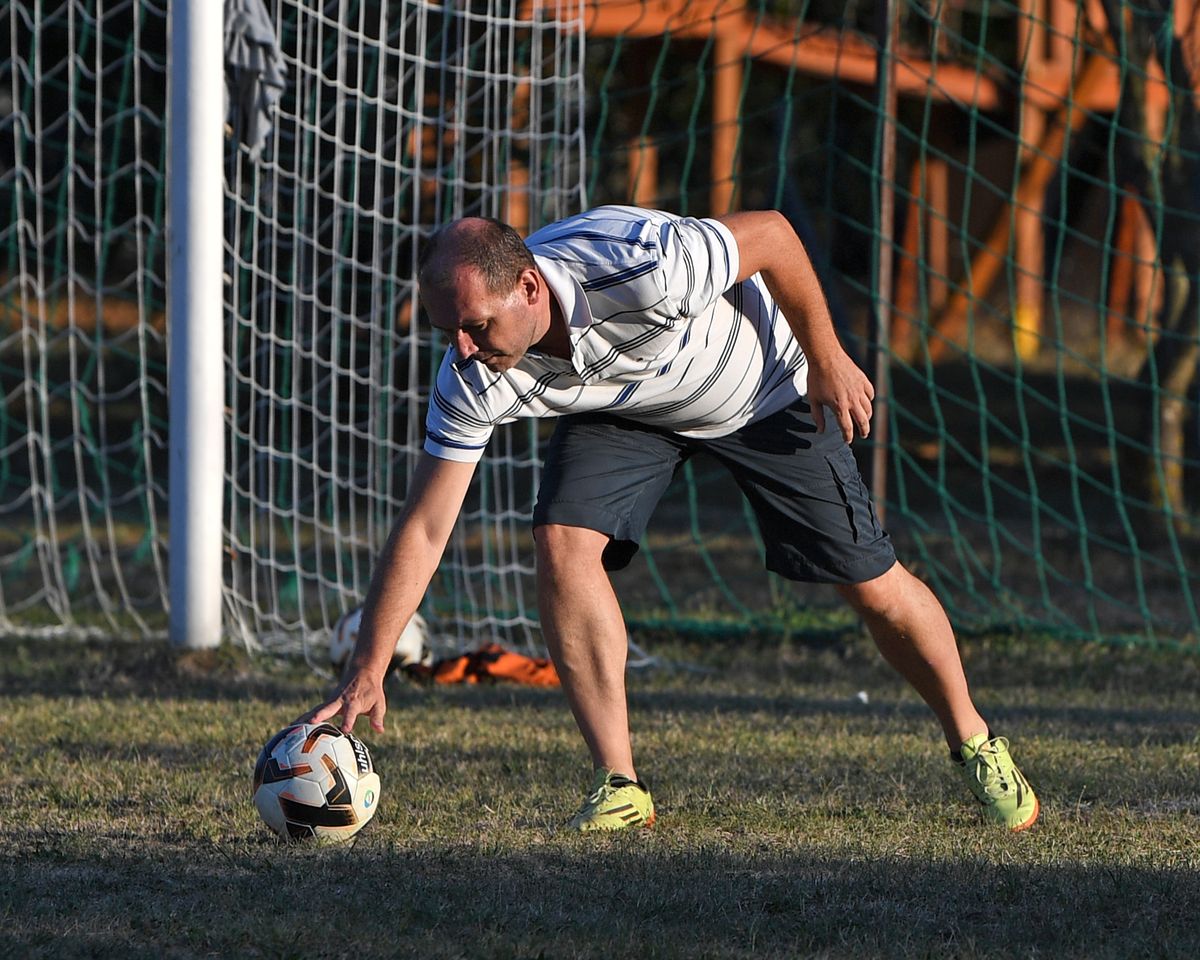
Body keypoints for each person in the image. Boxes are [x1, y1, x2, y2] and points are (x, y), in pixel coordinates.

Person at [302, 205, 1039, 834]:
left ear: (529, 288)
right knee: (561, 542)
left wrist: (826, 354)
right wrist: (370, 664)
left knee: (871, 584)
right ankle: (620, 784)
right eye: (446, 331)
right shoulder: (472, 372)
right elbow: (427, 526)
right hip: (625, 412)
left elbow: (777, 236)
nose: (460, 347)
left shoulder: (644, 264)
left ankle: (974, 740)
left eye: (472, 325)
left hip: (761, 389)